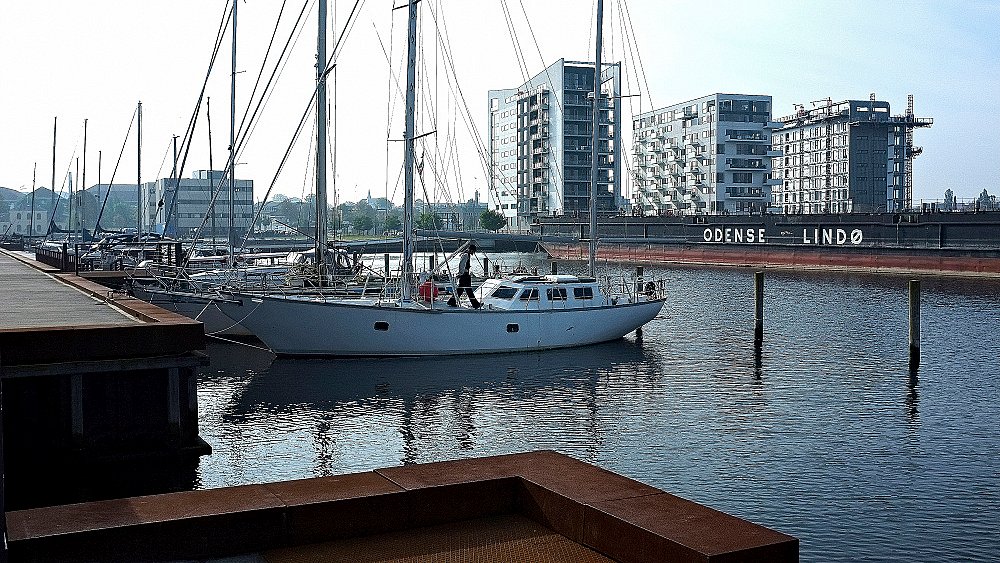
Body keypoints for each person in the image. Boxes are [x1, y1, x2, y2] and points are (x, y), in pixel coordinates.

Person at [448, 243, 481, 308]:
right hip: (465, 275)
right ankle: (476, 304)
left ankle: (452, 301)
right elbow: (462, 265)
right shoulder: (466, 255)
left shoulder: (466, 254)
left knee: (460, 290)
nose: (473, 253)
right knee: (469, 290)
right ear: (470, 250)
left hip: (464, 275)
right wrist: (460, 273)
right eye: (473, 251)